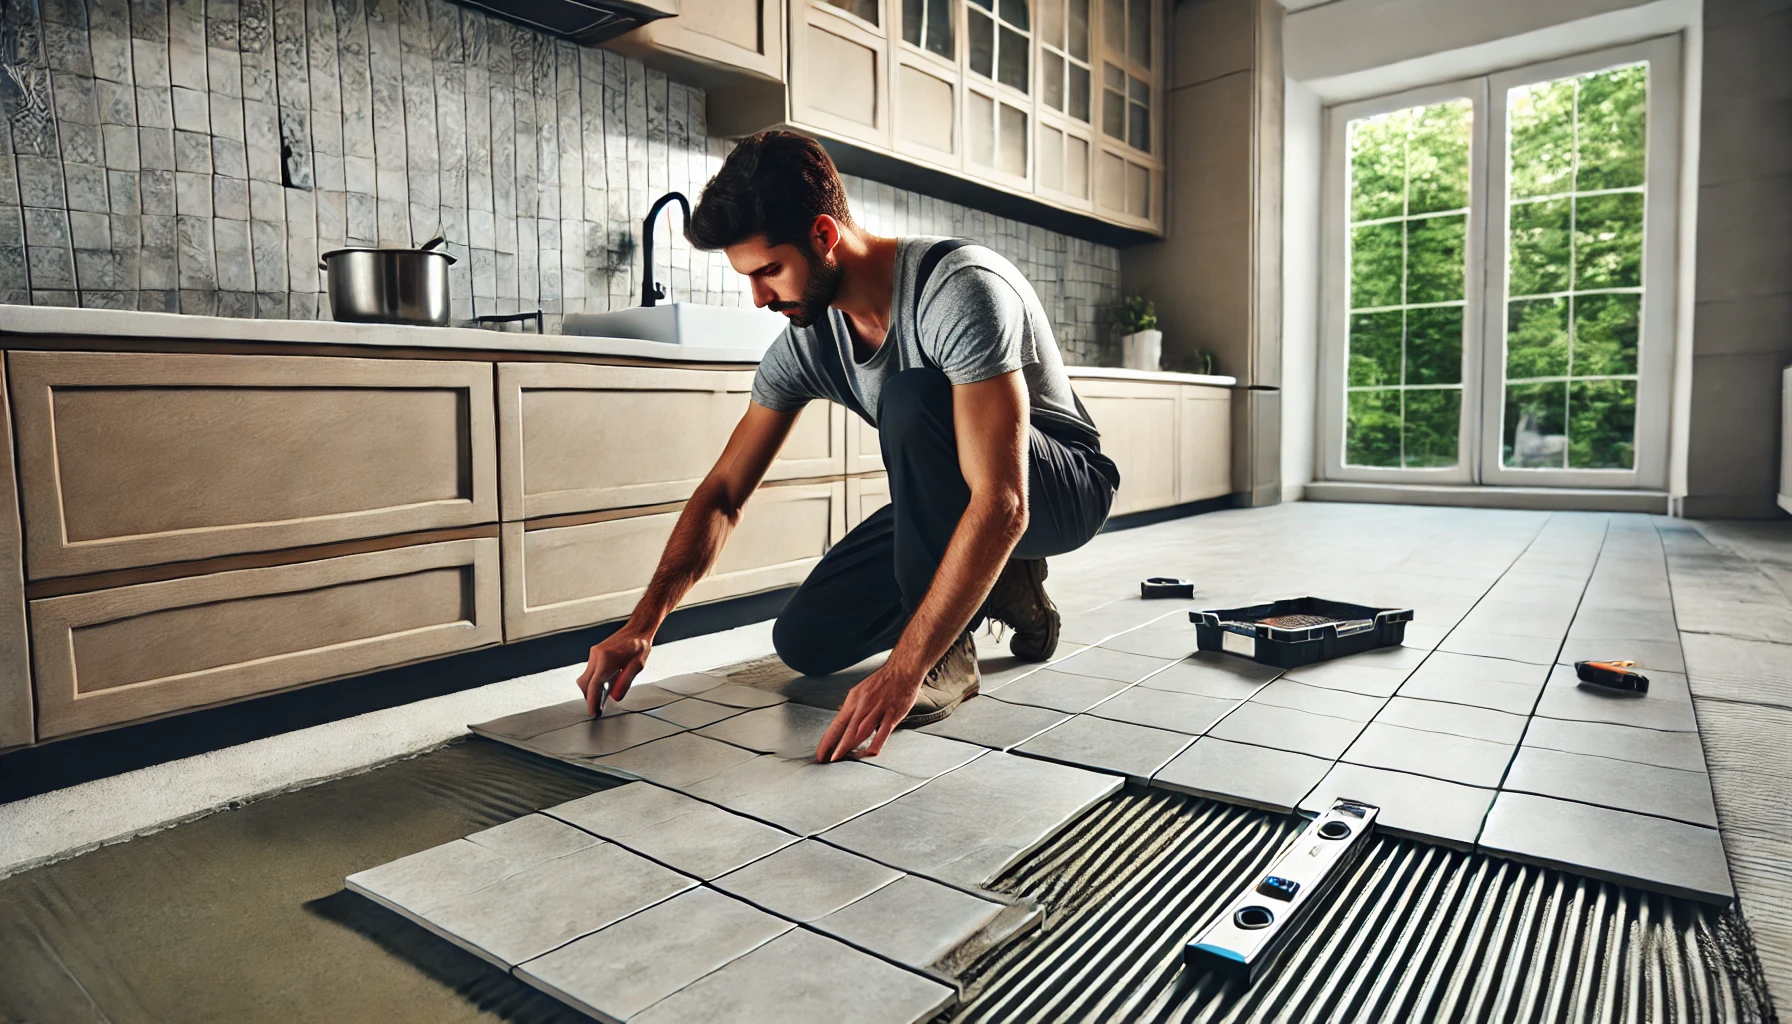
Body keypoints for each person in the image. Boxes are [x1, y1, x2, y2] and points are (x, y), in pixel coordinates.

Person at [574, 130, 1120, 764]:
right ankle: (1006, 583)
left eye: (769, 271)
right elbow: (724, 493)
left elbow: (1003, 504)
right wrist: (644, 625)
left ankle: (950, 654)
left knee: (914, 397)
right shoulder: (808, 340)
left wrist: (907, 666)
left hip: (1060, 485)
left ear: (824, 236)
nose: (758, 297)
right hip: (970, 494)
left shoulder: (958, 291)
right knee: (805, 641)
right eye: (748, 277)